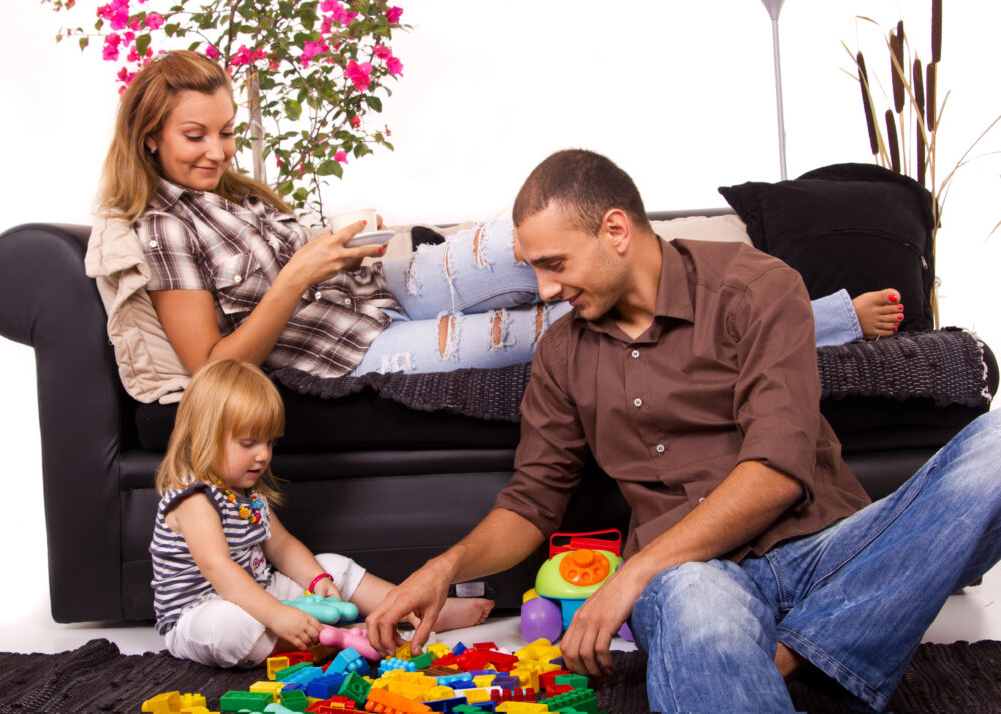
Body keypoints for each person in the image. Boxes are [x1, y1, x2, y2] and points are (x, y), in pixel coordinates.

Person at [365, 149, 1001, 712]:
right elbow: (532, 502)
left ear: (616, 230)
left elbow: (777, 472)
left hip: (829, 550)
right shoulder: (562, 352)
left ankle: (791, 655)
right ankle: (812, 649)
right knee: (696, 606)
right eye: (535, 269)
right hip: (697, 576)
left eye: (554, 264)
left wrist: (629, 577)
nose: (546, 289)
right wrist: (444, 567)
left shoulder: (756, 286)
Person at [98, 49, 567, 380]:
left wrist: (344, 252)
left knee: (533, 239)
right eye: (195, 135)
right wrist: (297, 276)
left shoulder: (238, 195)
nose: (218, 152)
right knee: (555, 329)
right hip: (346, 349)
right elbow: (211, 368)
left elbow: (308, 267)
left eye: (225, 132)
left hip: (381, 289)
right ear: (150, 137)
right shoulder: (165, 227)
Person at [150, 359, 492, 668]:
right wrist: (276, 614)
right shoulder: (194, 499)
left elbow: (281, 546)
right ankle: (335, 638)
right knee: (229, 627)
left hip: (259, 591)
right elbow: (220, 570)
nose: (264, 455)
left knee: (332, 565)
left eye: (269, 443)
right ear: (204, 437)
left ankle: (409, 611)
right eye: (248, 443)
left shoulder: (248, 494)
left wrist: (318, 580)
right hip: (200, 611)